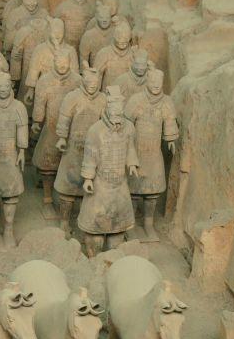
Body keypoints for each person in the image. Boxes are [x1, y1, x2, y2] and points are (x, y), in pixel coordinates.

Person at [78, 86, 139, 256]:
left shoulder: (129, 128)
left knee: (117, 227)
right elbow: (90, 155)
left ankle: (112, 257)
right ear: (107, 107)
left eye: (120, 109)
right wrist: (88, 178)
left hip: (120, 184)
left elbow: (131, 148)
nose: (117, 112)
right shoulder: (95, 130)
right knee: (94, 229)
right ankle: (94, 257)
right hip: (100, 184)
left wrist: (132, 164)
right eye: (114, 108)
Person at [125, 67, 178, 240]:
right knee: (133, 190)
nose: (156, 85)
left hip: (154, 153)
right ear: (147, 81)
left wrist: (170, 139)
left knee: (152, 191)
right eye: (153, 81)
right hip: (137, 152)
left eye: (159, 82)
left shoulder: (166, 102)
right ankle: (131, 224)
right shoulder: (136, 100)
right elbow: (126, 124)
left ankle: (148, 224)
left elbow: (169, 121)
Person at [54, 64, 107, 237]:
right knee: (68, 186)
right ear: (83, 81)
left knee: (92, 187)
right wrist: (62, 138)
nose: (92, 86)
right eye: (89, 82)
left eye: (95, 83)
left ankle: (87, 222)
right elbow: (64, 119)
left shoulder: (103, 99)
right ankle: (64, 222)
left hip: (94, 150)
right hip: (73, 147)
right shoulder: (72, 97)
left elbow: (106, 123)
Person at [0, 71, 29, 249]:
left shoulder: (19, 107)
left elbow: (22, 130)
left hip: (10, 156)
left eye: (6, 86)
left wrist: (22, 151)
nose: (3, 89)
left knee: (11, 193)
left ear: (11, 86)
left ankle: (8, 230)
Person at [32, 49, 81, 219]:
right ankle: (47, 200)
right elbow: (39, 103)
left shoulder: (77, 80)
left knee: (71, 165)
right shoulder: (44, 80)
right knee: (48, 166)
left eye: (65, 63)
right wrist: (37, 121)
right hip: (52, 127)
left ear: (70, 63)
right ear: (53, 62)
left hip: (72, 130)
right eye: (59, 62)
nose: (62, 66)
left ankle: (68, 201)